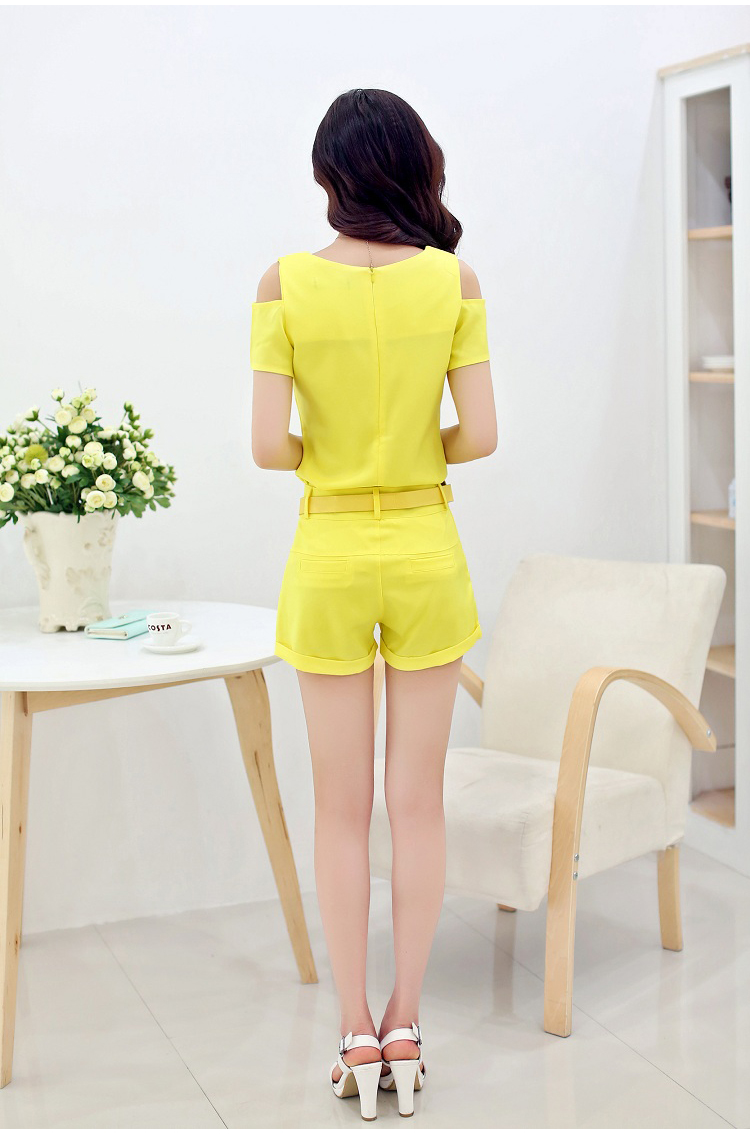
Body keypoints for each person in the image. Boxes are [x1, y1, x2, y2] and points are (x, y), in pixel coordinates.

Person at [250, 87, 497, 1121]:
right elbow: (480, 435)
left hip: (331, 551)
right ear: (413, 164)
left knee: (339, 807)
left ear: (329, 175)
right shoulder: (453, 279)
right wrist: (406, 456)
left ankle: (354, 1027)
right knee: (417, 802)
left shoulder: (283, 282)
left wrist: (339, 457)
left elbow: (268, 448)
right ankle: (406, 1020)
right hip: (427, 547)